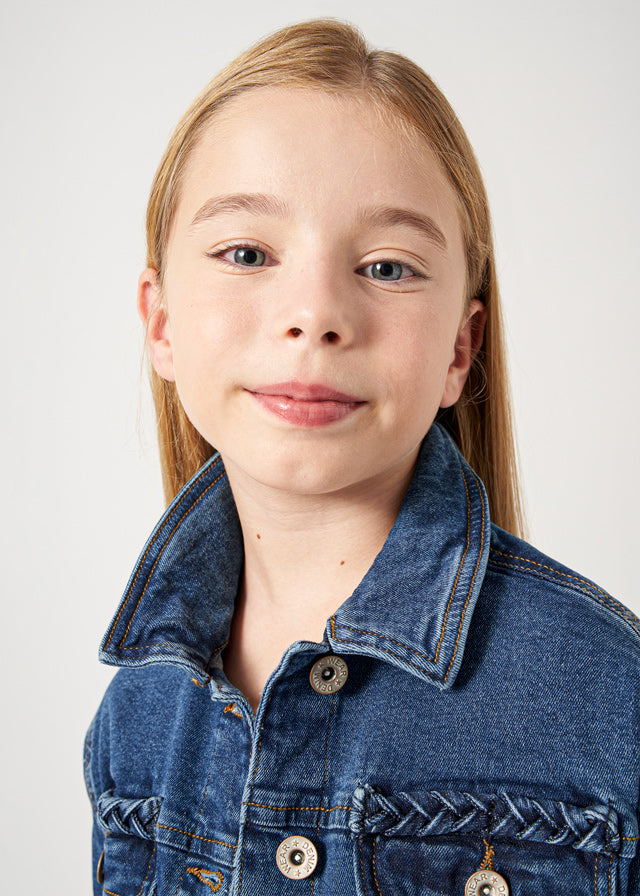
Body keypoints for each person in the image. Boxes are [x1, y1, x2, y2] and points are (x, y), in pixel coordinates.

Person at [84, 19, 640, 896]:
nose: (315, 314)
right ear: (160, 322)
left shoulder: (609, 693)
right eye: (246, 253)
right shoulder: (135, 716)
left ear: (460, 348)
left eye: (386, 267)